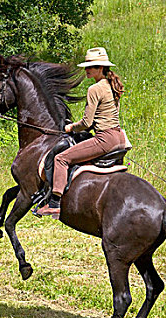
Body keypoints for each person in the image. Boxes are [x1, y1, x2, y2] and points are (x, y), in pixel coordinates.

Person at [37, 47, 127, 217]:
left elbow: (87, 122)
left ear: (100, 68)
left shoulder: (94, 89)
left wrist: (70, 127)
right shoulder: (112, 86)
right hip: (118, 137)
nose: (86, 70)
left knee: (61, 158)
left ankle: (55, 203)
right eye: (86, 67)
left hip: (104, 139)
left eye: (90, 67)